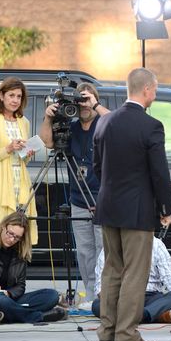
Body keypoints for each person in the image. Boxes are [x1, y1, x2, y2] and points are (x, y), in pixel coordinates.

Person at [93, 68, 171, 341]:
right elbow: (160, 173)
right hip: (137, 210)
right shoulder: (151, 126)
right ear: (148, 89)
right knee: (135, 273)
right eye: (155, 88)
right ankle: (126, 334)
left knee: (112, 270)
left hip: (108, 206)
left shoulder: (104, 122)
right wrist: (165, 207)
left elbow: (97, 168)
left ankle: (107, 332)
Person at [39, 82, 110, 308]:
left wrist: (95, 104)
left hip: (103, 198)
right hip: (78, 198)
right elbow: (48, 141)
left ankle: (104, 296)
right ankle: (90, 296)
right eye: (80, 101)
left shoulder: (104, 122)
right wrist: (48, 118)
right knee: (85, 252)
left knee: (103, 251)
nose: (84, 106)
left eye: (87, 101)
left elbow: (119, 124)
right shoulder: (71, 127)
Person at [0, 212, 67, 324]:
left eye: (17, 237)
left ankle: (1, 316)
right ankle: (36, 317)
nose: (11, 239)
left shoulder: (20, 252)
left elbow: (20, 286)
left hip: (7, 300)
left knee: (51, 295)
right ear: (3, 227)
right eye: (10, 233)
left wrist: (8, 293)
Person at [0, 77, 38, 244]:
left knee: (17, 236)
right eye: (11, 95)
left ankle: (14, 269)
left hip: (20, 186)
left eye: (19, 96)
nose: (15, 100)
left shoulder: (23, 122)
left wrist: (28, 153)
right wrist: (8, 149)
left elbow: (22, 162)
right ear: (2, 96)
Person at [90, 236, 171, 323]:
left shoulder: (156, 244)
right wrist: (112, 302)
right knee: (97, 305)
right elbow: (101, 287)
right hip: (122, 297)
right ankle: (154, 315)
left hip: (151, 297)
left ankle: (139, 316)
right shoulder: (111, 246)